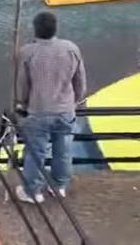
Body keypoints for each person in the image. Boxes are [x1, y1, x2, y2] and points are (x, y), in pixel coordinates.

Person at [14, 12, 86, 204]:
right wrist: (75, 101)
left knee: (36, 152)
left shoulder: (27, 52)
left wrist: (22, 103)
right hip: (65, 110)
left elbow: (22, 85)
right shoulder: (71, 49)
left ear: (36, 29)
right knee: (63, 150)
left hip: (38, 110)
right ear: (56, 28)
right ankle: (59, 186)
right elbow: (80, 82)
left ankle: (33, 191)